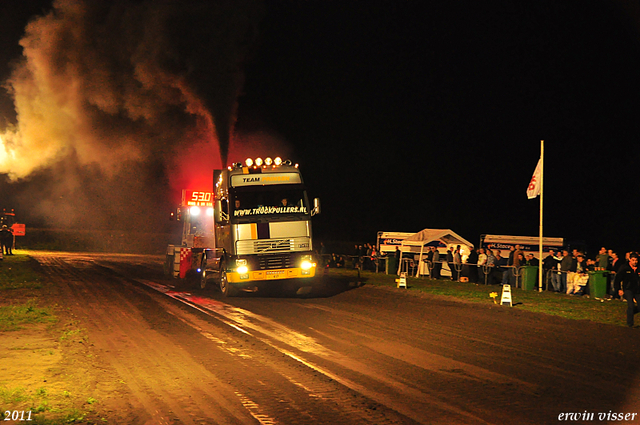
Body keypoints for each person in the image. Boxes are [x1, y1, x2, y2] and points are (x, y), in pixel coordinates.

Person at [614, 253, 640, 327]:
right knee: (631, 305)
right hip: (628, 289)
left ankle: (630, 312)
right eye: (633, 260)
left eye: (636, 260)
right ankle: (630, 324)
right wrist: (619, 289)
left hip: (638, 290)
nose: (635, 262)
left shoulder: (638, 268)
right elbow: (617, 279)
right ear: (629, 260)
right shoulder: (624, 268)